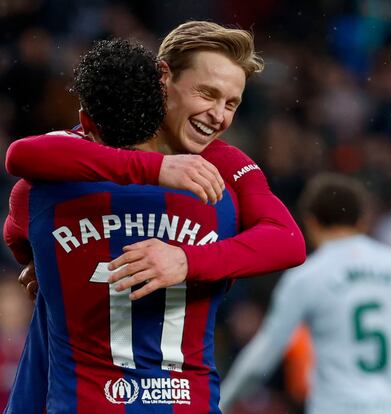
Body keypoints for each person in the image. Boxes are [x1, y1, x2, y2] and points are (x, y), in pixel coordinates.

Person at [4, 25, 305, 414]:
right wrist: (156, 168)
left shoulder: (224, 162)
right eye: (207, 93)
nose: (218, 115)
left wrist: (186, 261)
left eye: (232, 104)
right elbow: (22, 155)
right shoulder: (87, 151)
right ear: (164, 77)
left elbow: (289, 241)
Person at [220, 173, 391, 414]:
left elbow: (263, 355)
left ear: (311, 222)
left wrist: (222, 402)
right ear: (362, 219)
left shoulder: (308, 276)